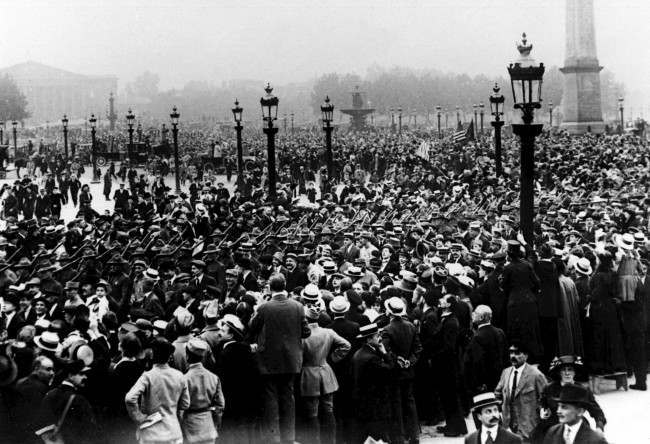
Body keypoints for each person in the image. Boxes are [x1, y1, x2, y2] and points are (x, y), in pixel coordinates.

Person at [248, 273, 311, 444]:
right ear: (285, 285)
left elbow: (252, 328)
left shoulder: (264, 308)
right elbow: (306, 332)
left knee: (271, 399)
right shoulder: (298, 307)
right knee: (288, 398)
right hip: (291, 360)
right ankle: (288, 437)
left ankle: (273, 438)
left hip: (269, 360)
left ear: (270, 287)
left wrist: (257, 308)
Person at [300, 303, 350, 444]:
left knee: (312, 413)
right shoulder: (327, 332)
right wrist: (333, 357)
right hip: (326, 372)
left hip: (308, 374)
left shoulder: (301, 336)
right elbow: (346, 345)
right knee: (328, 409)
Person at [125, 337, 190, 444]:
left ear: (153, 355)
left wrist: (139, 417)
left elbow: (130, 398)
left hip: (151, 432)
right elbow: (185, 404)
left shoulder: (147, 376)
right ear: (169, 356)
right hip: (173, 432)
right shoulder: (179, 376)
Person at [532, 355, 605, 443]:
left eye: (570, 370)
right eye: (564, 370)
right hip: (552, 426)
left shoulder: (582, 391)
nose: (567, 373)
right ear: (559, 373)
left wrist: (599, 428)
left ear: (575, 372)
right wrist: (542, 410)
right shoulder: (549, 388)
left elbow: (598, 413)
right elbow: (541, 402)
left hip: (574, 424)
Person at [350, 323, 395, 443]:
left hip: (362, 402)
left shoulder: (359, 353)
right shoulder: (371, 358)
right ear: (369, 339)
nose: (380, 338)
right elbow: (390, 369)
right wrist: (385, 354)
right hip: (374, 405)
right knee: (378, 436)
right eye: (377, 336)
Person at [495, 343, 547, 441]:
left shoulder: (536, 375)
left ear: (526, 356)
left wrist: (542, 411)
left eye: (517, 353)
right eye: (511, 353)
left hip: (529, 428)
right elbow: (497, 394)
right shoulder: (506, 372)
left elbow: (545, 398)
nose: (513, 356)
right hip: (508, 427)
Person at [40, 359, 99, 444]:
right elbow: (89, 429)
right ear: (70, 375)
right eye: (81, 374)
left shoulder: (50, 394)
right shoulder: (79, 399)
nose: (85, 377)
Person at [181, 338, 225, 444]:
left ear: (187, 356)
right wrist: (216, 423)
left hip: (190, 426)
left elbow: (181, 407)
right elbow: (220, 405)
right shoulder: (213, 377)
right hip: (208, 425)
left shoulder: (184, 379)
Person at [542, 384, 608, 444]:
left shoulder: (595, 440)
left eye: (564, 407)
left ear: (580, 412)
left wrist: (599, 427)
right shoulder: (552, 432)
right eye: (558, 406)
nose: (558, 411)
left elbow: (598, 413)